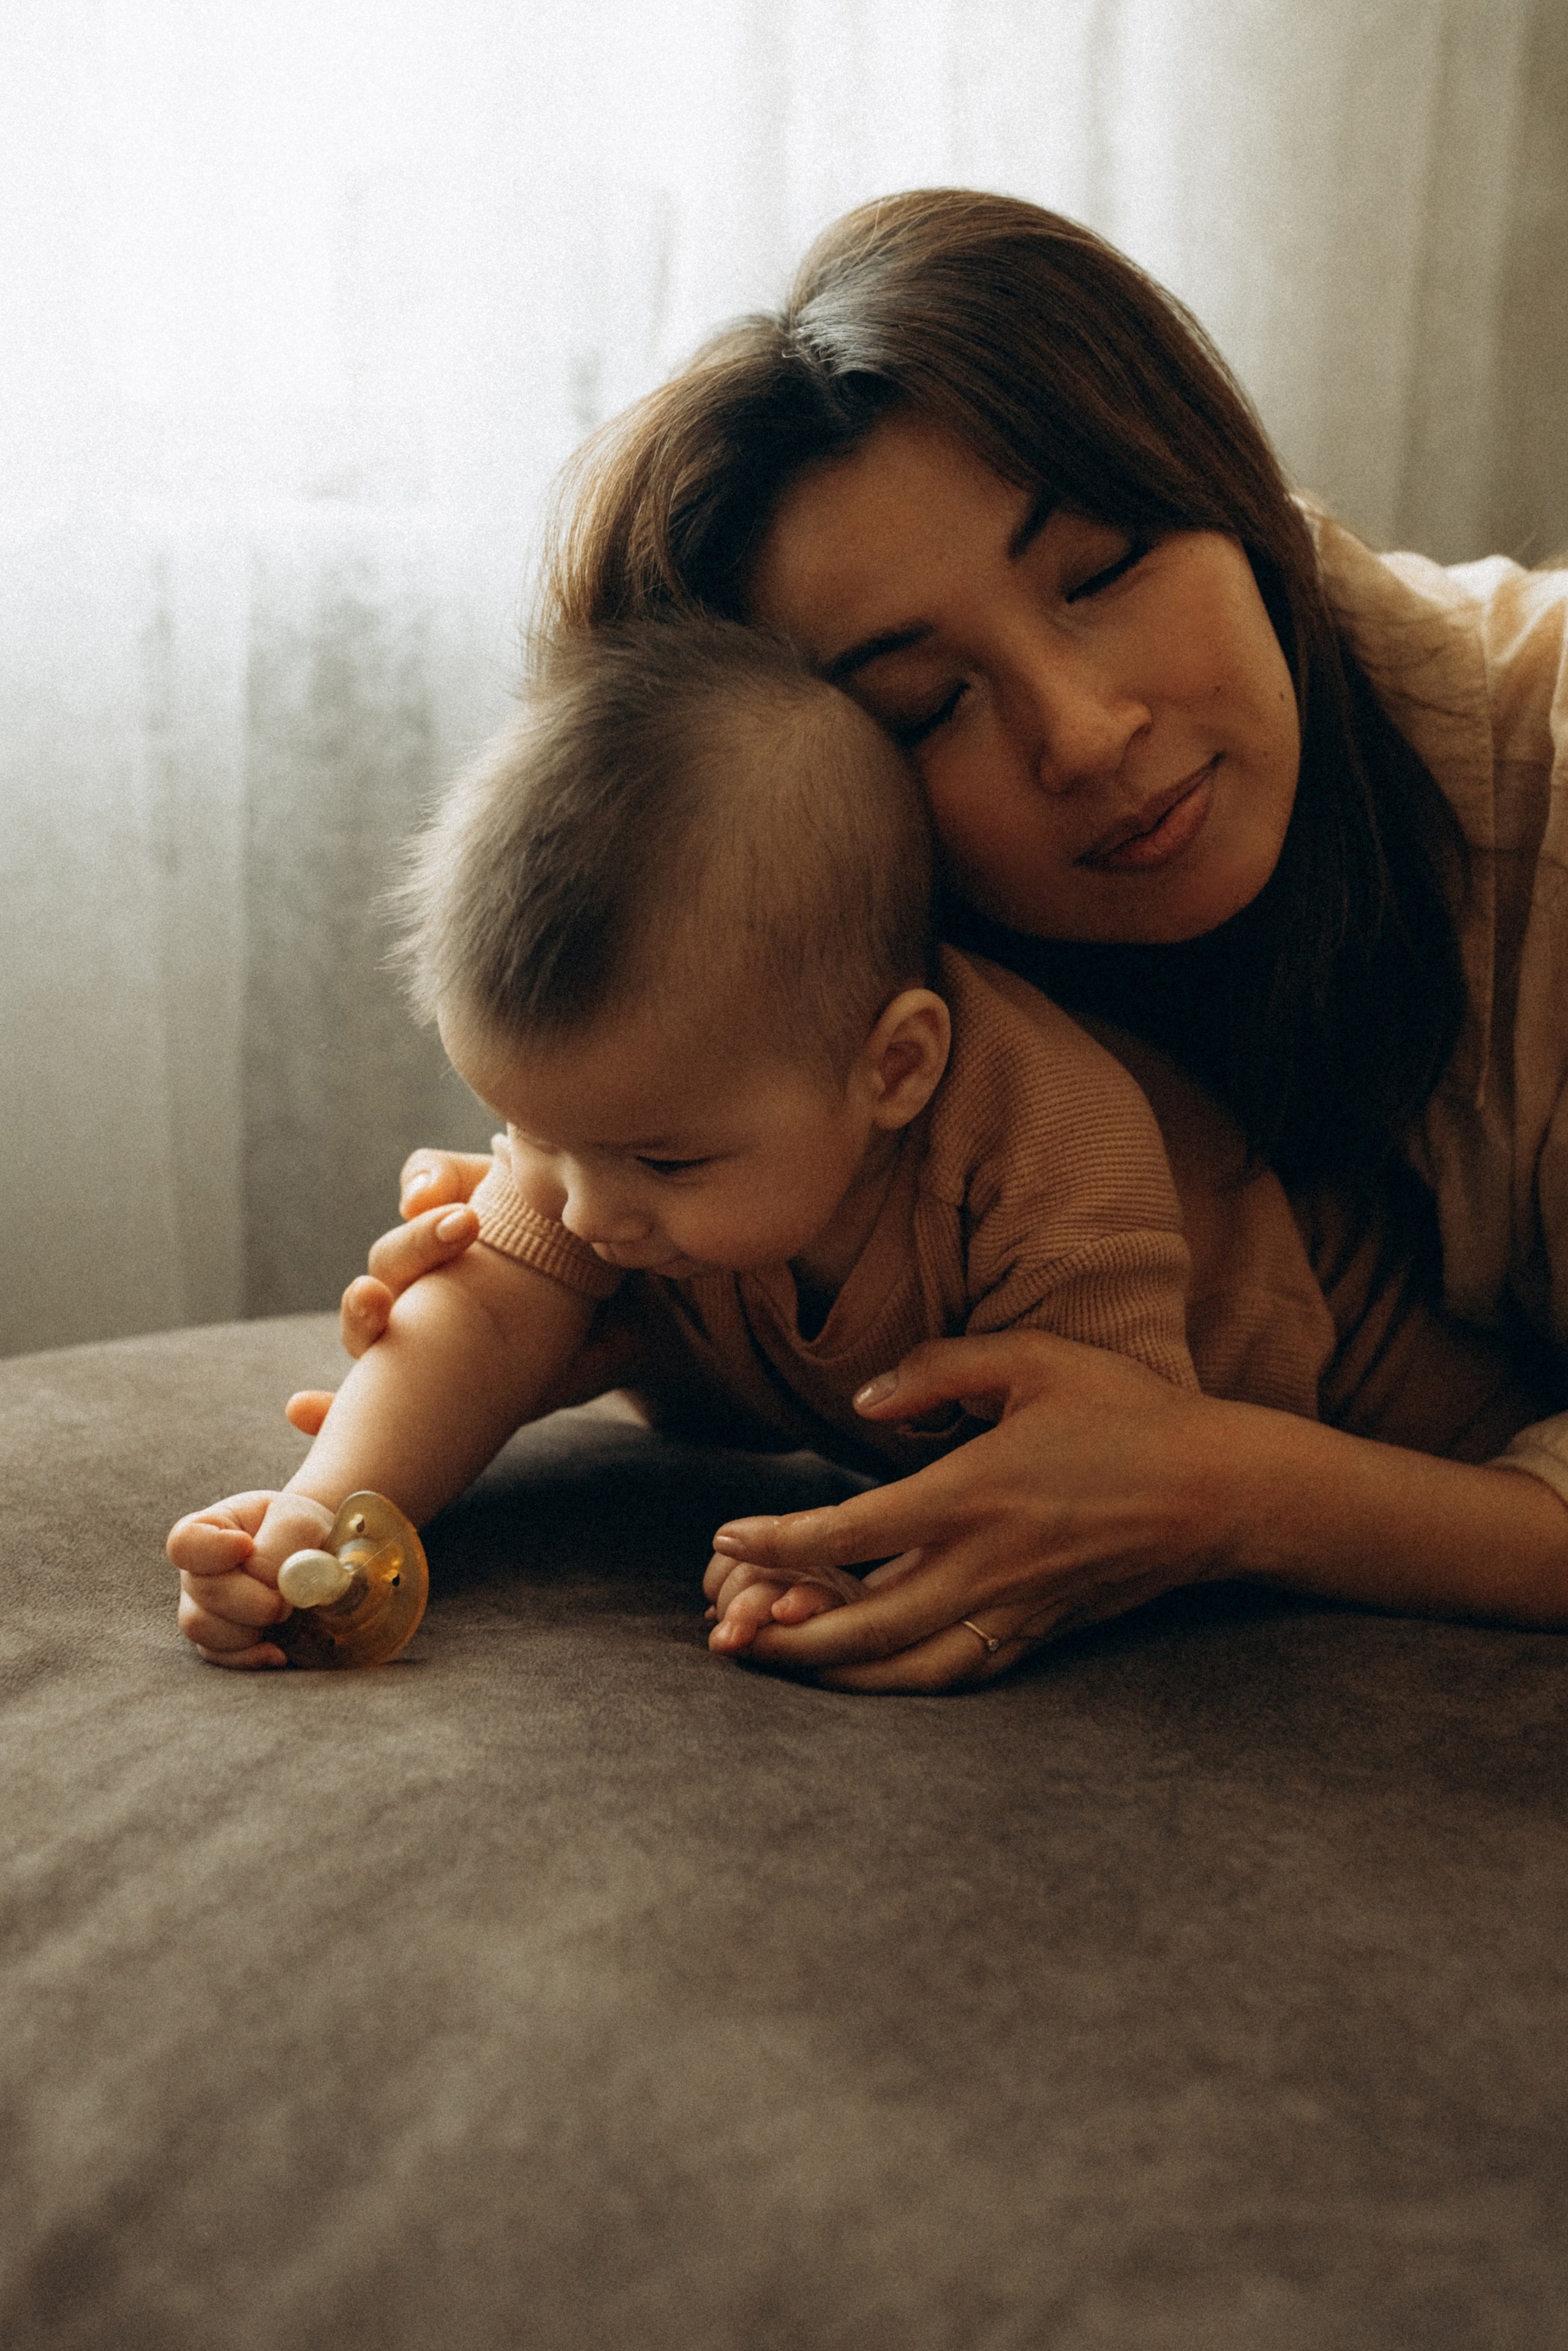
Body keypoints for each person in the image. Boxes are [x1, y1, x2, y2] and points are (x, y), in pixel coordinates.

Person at [301, 189, 1568, 1690]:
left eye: (1100, 570)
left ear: (1227, 491)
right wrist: (676, 1301)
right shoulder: (903, 961)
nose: (1084, 736)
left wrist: (1222, 1489)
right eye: (920, 705)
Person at [172, 617, 1365, 1672]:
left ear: (892, 1068)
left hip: (1359, 1403)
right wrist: (319, 1514)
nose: (590, 1212)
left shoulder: (1045, 1150)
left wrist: (872, 1566)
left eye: (665, 1163)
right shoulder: (662, 1111)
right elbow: (483, 1310)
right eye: (542, 1137)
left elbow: (1088, 1483)